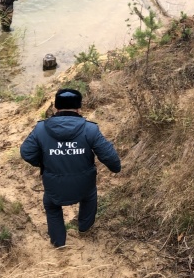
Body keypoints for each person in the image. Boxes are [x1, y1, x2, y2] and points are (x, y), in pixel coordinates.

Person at [20, 88, 121, 247]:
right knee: (90, 197)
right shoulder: (90, 129)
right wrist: (116, 168)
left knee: (52, 207)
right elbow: (110, 157)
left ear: (55, 108)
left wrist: (43, 163)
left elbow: (26, 152)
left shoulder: (41, 129)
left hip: (54, 185)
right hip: (84, 185)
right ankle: (84, 228)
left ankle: (58, 243)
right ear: (79, 108)